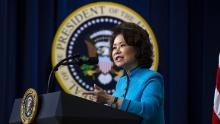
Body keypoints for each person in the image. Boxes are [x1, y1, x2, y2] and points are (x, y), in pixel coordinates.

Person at [84, 22, 165, 124]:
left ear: (138, 49)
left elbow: (148, 111)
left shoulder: (152, 78)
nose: (116, 51)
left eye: (122, 45)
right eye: (114, 47)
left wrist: (109, 99)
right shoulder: (121, 82)